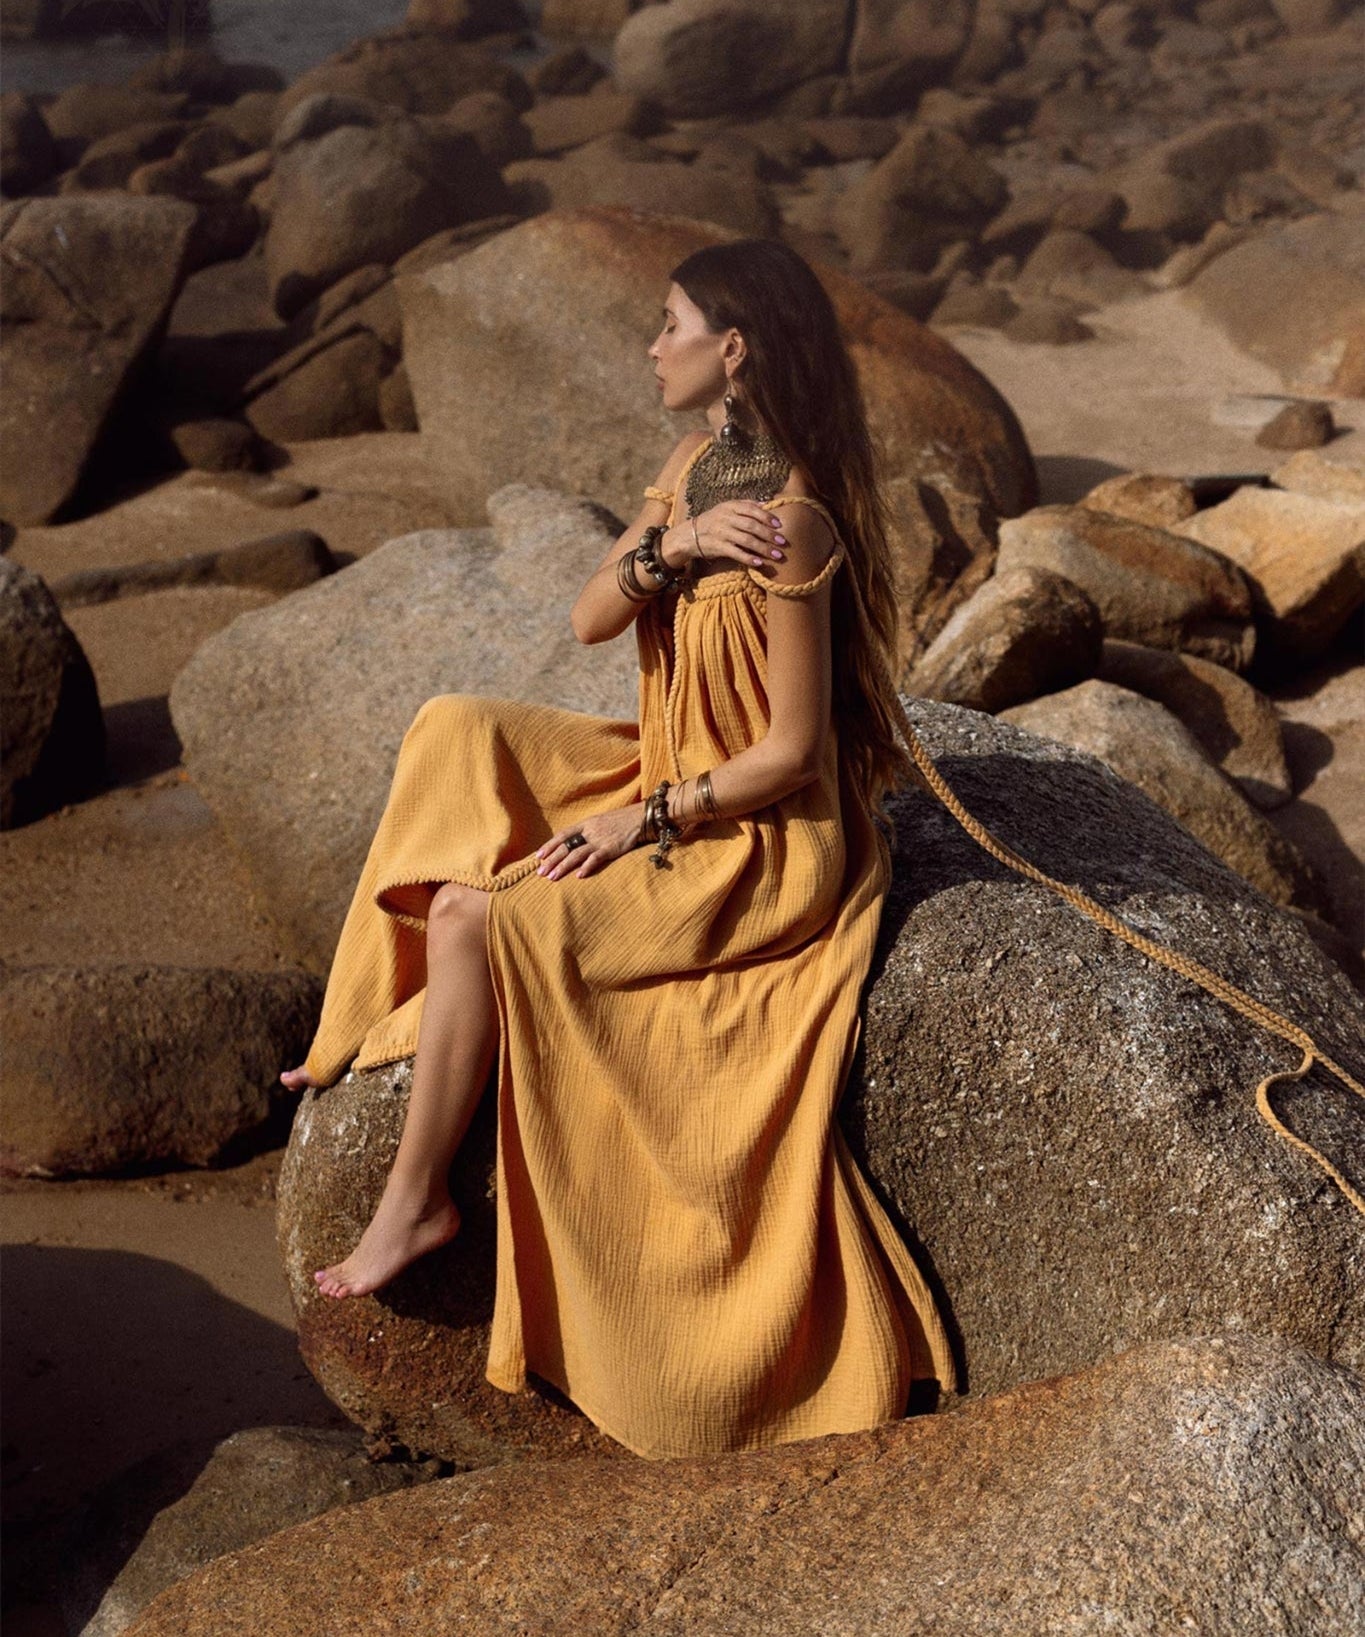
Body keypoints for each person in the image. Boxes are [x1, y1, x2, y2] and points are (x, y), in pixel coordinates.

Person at [278, 236, 956, 1460]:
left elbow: (796, 755)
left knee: (482, 916)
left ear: (732, 348)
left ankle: (417, 1199)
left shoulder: (795, 524)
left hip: (750, 839)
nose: (652, 347)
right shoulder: (698, 467)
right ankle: (377, 1015)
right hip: (663, 763)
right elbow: (592, 614)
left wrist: (635, 820)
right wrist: (678, 547)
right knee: (454, 725)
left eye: (670, 324)